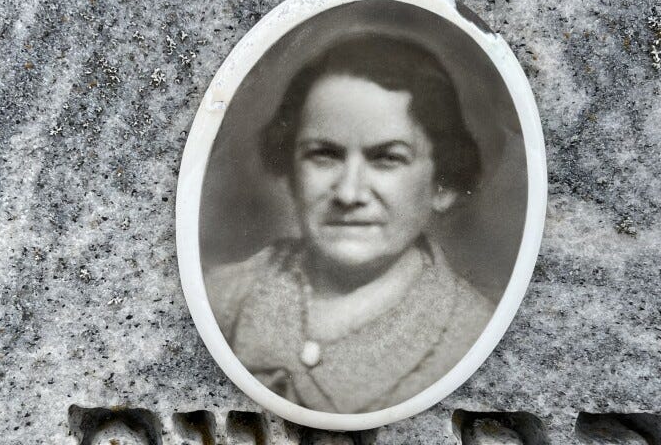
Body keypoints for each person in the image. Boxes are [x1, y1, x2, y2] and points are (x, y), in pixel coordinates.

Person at [205, 34, 495, 414]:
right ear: (290, 172)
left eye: (387, 158)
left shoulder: (471, 334)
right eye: (324, 155)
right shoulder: (226, 296)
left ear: (442, 183)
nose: (348, 192)